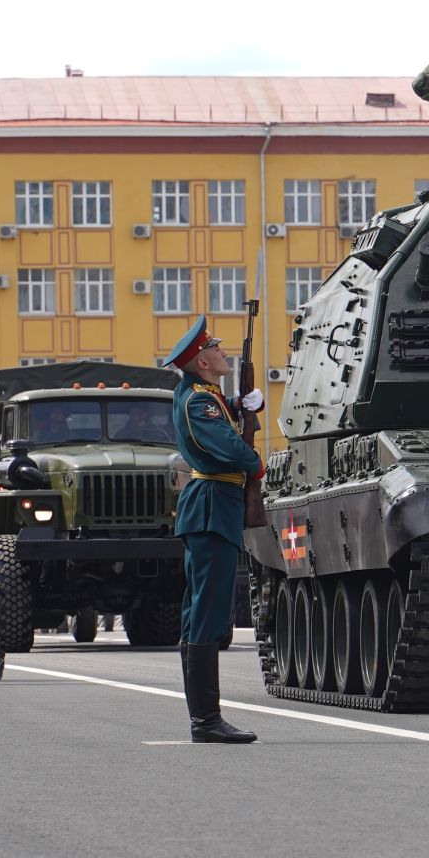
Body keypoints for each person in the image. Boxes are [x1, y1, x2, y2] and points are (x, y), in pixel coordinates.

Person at [165, 317, 264, 744]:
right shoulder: (199, 402)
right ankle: (206, 720)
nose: (224, 354)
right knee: (207, 613)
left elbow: (222, 428)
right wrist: (254, 460)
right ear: (203, 361)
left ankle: (205, 717)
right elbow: (224, 446)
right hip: (211, 507)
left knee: (202, 611)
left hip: (213, 507)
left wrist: (240, 408)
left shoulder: (204, 396)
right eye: (217, 350)